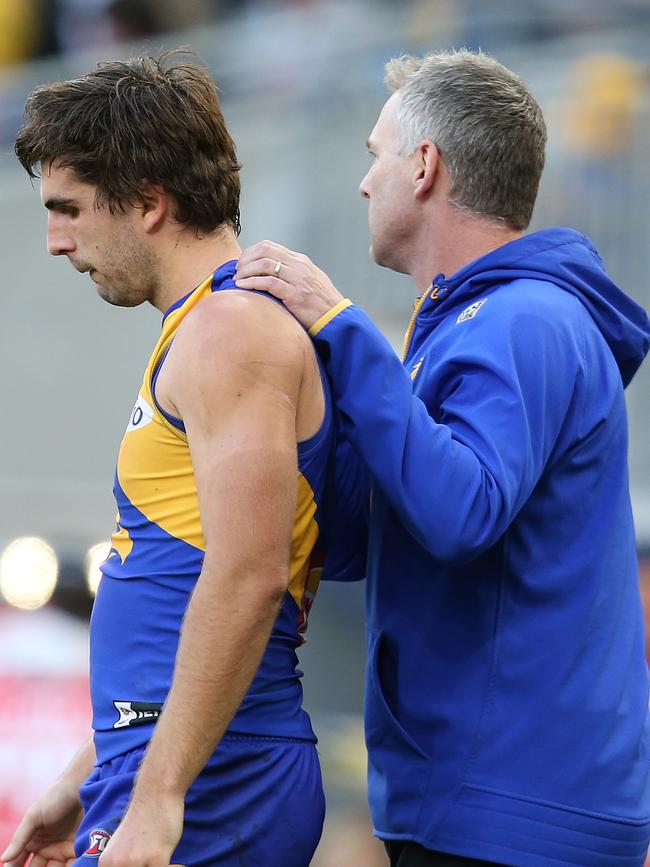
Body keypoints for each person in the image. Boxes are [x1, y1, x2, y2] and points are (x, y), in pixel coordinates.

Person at [234, 49, 650, 867]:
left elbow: (461, 513)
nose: (363, 183)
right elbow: (386, 528)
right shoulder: (474, 322)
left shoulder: (524, 319)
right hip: (481, 796)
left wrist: (345, 330)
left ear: (424, 166)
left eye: (373, 155)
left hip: (517, 808)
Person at [3, 52, 336, 867]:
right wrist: (94, 768)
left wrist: (155, 798)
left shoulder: (231, 332)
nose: (54, 241)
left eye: (68, 209)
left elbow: (248, 572)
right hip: (178, 766)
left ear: (147, 203)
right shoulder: (204, 326)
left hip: (219, 776)